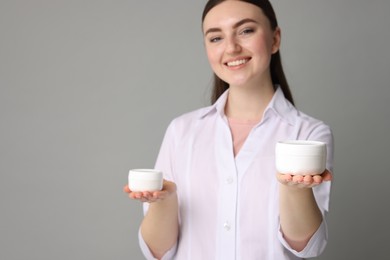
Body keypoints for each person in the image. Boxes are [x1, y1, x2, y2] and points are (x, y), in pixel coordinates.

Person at [124, 0, 334, 259]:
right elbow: (157, 251)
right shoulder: (182, 131)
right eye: (215, 38)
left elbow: (306, 247)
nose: (231, 48)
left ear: (275, 39)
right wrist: (164, 201)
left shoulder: (308, 134)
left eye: (246, 31)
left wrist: (293, 188)